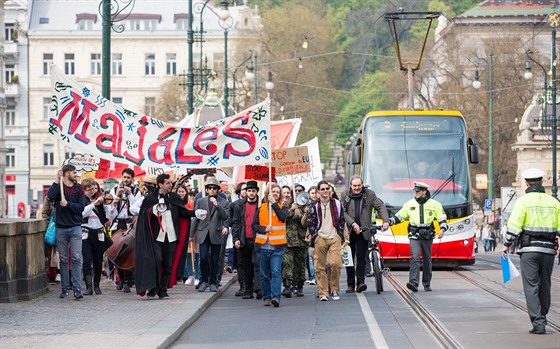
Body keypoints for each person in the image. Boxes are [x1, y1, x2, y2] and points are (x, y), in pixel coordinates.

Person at [501, 168, 560, 335]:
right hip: (548, 250)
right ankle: (543, 314)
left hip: (529, 250)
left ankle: (538, 322)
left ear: (526, 183)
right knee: (545, 284)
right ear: (542, 182)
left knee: (531, 285)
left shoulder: (523, 201)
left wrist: (506, 244)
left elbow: (514, 226)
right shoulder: (553, 202)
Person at [135, 173, 197, 299]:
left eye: (171, 183)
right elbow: (143, 215)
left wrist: (196, 213)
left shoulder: (174, 197)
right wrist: (152, 210)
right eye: (168, 183)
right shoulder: (150, 198)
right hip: (156, 237)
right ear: (160, 184)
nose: (170, 185)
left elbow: (183, 212)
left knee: (169, 263)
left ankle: (162, 290)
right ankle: (154, 287)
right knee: (156, 261)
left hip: (171, 236)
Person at [389, 181, 447, 292]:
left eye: (418, 191)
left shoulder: (435, 204)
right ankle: (413, 283)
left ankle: (426, 283)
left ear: (424, 191)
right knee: (414, 258)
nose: (416, 193)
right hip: (414, 235)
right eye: (415, 191)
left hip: (427, 236)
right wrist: (389, 222)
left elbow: (442, 218)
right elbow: (399, 216)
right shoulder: (409, 204)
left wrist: (442, 229)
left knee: (427, 259)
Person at [341, 176, 389, 293]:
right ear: (351, 186)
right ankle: (350, 284)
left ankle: (360, 283)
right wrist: (352, 224)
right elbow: (342, 212)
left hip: (364, 231)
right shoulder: (344, 195)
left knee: (361, 258)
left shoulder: (369, 194)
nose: (357, 188)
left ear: (362, 185)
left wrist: (386, 221)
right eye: (354, 186)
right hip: (349, 231)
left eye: (359, 185)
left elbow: (380, 207)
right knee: (350, 259)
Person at [46, 164, 87, 299]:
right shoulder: (59, 188)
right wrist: (56, 180)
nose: (76, 174)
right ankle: (64, 289)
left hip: (75, 227)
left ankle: (77, 289)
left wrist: (67, 204)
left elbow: (81, 207)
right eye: (74, 172)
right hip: (61, 228)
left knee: (76, 258)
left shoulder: (78, 188)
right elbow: (50, 197)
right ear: (66, 174)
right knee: (63, 259)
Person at [307, 180, 346, 301]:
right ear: (318, 191)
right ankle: (324, 292)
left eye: (327, 188)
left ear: (330, 190)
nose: (325, 191)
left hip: (334, 237)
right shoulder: (314, 206)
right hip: (320, 237)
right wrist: (315, 235)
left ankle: (334, 289)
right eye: (322, 189)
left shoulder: (337, 204)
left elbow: (342, 220)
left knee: (335, 263)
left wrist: (339, 235)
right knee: (319, 267)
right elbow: (310, 222)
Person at [191, 177, 230, 293]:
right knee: (203, 258)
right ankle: (204, 281)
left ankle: (213, 282)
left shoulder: (224, 202)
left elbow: (225, 216)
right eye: (209, 188)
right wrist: (191, 234)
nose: (212, 190)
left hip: (216, 233)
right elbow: (195, 218)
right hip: (203, 232)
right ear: (207, 189)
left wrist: (217, 205)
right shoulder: (200, 201)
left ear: (218, 189)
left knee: (215, 259)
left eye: (214, 188)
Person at [252, 183, 288, 307]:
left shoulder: (282, 207)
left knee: (276, 272)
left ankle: (276, 297)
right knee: (264, 275)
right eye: (273, 191)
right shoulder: (261, 208)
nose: (275, 194)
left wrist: (274, 204)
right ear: (268, 193)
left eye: (278, 192)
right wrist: (264, 229)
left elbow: (282, 217)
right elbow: (254, 226)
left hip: (277, 247)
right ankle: (266, 297)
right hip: (262, 246)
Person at [81, 178, 116, 295]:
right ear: (84, 190)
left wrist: (111, 205)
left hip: (99, 232)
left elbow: (110, 215)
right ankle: (88, 286)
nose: (93, 191)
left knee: (98, 260)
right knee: (87, 260)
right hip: (86, 232)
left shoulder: (101, 199)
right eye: (90, 189)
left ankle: (96, 285)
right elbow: (82, 213)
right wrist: (94, 204)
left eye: (94, 189)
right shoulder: (82, 200)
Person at [110, 168, 142, 293]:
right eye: (124, 177)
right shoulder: (114, 189)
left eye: (128, 178)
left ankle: (128, 280)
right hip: (118, 223)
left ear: (132, 179)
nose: (126, 180)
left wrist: (130, 194)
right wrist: (117, 196)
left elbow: (135, 207)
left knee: (129, 253)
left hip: (129, 223)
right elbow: (110, 208)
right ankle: (120, 279)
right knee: (116, 252)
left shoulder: (135, 191)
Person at [232, 180, 262, 299]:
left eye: (253, 191)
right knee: (246, 266)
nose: (251, 193)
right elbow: (236, 223)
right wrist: (236, 238)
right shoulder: (240, 205)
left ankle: (258, 289)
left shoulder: (261, 204)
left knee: (257, 264)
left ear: (256, 192)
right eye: (249, 191)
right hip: (244, 239)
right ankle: (248, 290)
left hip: (258, 239)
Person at [281, 183, 308, 298]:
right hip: (288, 241)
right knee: (287, 263)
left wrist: (303, 214)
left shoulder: (306, 206)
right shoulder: (286, 205)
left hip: (302, 241)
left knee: (300, 265)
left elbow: (307, 223)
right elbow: (282, 219)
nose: (297, 192)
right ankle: (287, 286)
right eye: (295, 190)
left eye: (299, 190)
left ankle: (299, 286)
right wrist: (291, 211)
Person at [305, 186, 318, 285]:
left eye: (315, 192)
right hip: (311, 236)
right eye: (312, 193)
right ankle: (313, 276)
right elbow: (303, 223)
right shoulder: (306, 206)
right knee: (311, 257)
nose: (314, 195)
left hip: (322, 235)